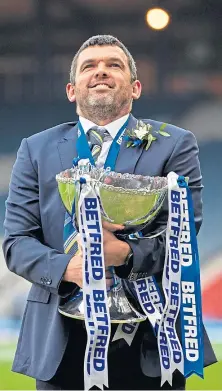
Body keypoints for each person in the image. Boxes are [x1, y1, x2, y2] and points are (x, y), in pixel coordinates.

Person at [3, 35, 216, 390]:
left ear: (135, 88)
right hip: (61, 342)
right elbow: (17, 242)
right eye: (90, 66)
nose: (101, 71)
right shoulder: (35, 149)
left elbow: (184, 232)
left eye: (113, 65)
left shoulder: (174, 143)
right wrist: (70, 268)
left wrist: (126, 254)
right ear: (72, 90)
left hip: (152, 341)